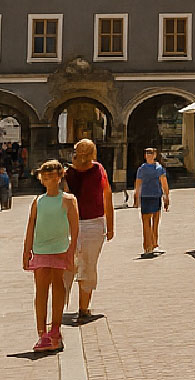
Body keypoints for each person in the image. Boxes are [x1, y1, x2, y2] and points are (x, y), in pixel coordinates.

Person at [22, 160, 79, 353]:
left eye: (51, 176)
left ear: (59, 176)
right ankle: (41, 332)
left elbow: (75, 228)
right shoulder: (38, 201)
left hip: (61, 249)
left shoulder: (69, 200)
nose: (47, 180)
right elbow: (31, 226)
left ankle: (55, 328)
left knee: (58, 288)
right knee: (41, 291)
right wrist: (26, 251)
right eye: (44, 177)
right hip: (40, 249)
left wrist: (72, 251)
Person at [61, 139, 114, 324]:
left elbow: (63, 201)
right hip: (94, 223)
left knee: (68, 266)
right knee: (89, 265)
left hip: (70, 224)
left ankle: (59, 307)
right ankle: (83, 308)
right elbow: (107, 196)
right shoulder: (98, 169)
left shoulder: (67, 173)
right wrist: (111, 225)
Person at [133, 147, 170, 257]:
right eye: (147, 153)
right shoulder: (142, 169)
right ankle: (148, 245)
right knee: (146, 222)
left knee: (154, 221)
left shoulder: (158, 168)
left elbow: (164, 183)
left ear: (155, 155)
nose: (148, 155)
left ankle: (153, 244)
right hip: (146, 196)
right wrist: (136, 196)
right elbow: (138, 183)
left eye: (150, 153)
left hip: (155, 196)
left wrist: (166, 196)